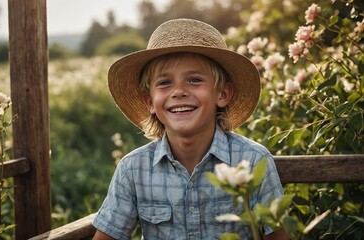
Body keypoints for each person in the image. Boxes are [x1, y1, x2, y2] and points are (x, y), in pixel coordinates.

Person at [92, 18, 288, 240]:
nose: (179, 92)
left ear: (222, 94)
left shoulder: (253, 161)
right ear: (149, 102)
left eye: (194, 80)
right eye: (165, 83)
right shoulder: (134, 169)